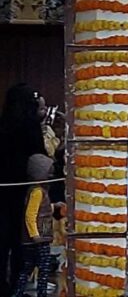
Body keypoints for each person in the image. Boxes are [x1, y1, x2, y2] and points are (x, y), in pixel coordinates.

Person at [0, 84, 47, 295]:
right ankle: (17, 288)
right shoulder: (31, 125)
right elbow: (39, 156)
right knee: (22, 240)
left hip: (3, 188)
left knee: (3, 240)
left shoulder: (3, 123)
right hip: (25, 189)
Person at [13, 154, 54, 297]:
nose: (52, 173)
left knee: (28, 267)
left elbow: (42, 209)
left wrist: (54, 207)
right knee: (43, 268)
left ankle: (18, 293)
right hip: (38, 238)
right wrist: (35, 235)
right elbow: (30, 215)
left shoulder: (39, 191)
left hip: (37, 236)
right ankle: (41, 294)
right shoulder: (37, 192)